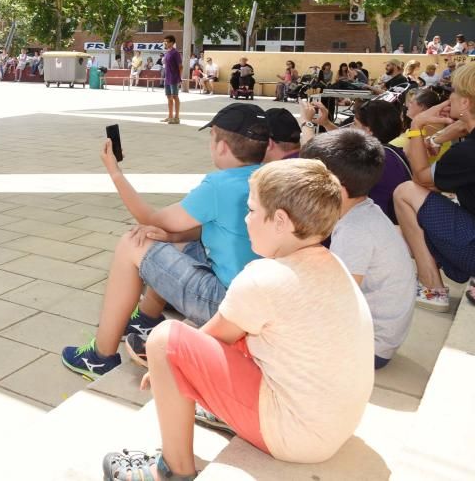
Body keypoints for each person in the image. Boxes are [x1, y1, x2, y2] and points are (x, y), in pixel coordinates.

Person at [101, 160, 373, 480]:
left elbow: (196, 344)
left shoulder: (264, 277)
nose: (246, 219)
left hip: (295, 434)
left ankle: (172, 470)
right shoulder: (333, 264)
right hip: (334, 424)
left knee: (164, 338)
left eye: (252, 210)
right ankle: (218, 416)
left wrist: (164, 369)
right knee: (233, 333)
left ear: (281, 221)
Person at [61, 103, 268, 379]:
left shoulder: (220, 185)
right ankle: (146, 320)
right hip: (253, 297)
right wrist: (171, 236)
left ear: (221, 147)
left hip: (224, 304)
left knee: (131, 243)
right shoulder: (268, 177)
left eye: (212, 138)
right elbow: (222, 230)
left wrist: (114, 172)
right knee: (170, 241)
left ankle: (100, 356)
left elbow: (151, 218)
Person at [302, 130, 415, 369]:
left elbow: (339, 296)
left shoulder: (356, 230)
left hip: (370, 348)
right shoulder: (363, 212)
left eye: (308, 183)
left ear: (336, 190)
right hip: (376, 338)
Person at [394, 63, 475, 312]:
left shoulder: (467, 153)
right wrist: (437, 137)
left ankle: (432, 288)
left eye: (454, 93)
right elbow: (464, 126)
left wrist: (417, 125)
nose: (448, 97)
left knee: (405, 192)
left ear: (465, 103)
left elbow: (421, 178)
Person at [303, 99, 410, 223]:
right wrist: (326, 123)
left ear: (368, 130)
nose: (350, 127)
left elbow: (310, 163)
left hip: (371, 226)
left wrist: (306, 123)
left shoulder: (372, 158)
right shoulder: (392, 152)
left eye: (354, 124)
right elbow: (351, 141)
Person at [389, 86, 452, 163]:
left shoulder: (431, 127)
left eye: (411, 102)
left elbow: (408, 155)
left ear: (422, 107)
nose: (407, 105)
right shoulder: (426, 124)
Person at [161, 35, 182, 124]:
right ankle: (170, 116)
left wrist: (178, 78)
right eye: (164, 41)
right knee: (169, 97)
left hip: (174, 78)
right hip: (167, 78)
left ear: (172, 43)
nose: (165, 43)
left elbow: (180, 66)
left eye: (167, 41)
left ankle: (176, 118)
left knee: (175, 97)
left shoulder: (175, 53)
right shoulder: (167, 53)